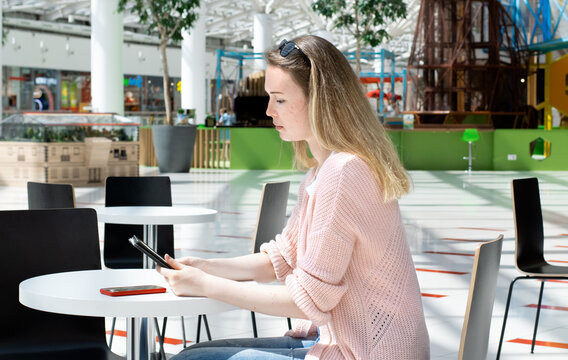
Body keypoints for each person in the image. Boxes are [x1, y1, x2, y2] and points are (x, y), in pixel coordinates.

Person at [159, 35, 430, 360]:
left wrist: (205, 285)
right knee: (197, 354)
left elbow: (308, 299)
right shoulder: (322, 171)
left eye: (280, 100)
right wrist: (206, 267)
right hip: (348, 343)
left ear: (320, 100)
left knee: (192, 359)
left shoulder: (344, 172)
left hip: (366, 353)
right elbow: (283, 258)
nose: (269, 110)